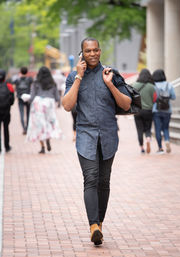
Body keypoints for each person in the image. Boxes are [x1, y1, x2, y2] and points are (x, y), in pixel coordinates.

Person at [62, 37, 131, 246]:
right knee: (90, 178)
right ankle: (93, 225)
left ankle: (99, 224)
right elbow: (66, 105)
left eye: (95, 50)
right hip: (85, 136)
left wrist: (110, 85)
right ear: (82, 53)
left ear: (100, 51)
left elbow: (126, 104)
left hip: (108, 136)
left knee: (104, 182)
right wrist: (79, 78)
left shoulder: (111, 74)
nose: (92, 54)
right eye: (87, 51)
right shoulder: (74, 76)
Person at [26, 66, 63, 153]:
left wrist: (28, 100)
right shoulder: (52, 83)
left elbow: (32, 96)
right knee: (48, 123)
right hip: (49, 103)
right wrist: (58, 103)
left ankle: (42, 146)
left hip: (38, 104)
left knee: (39, 125)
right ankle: (48, 140)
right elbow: (57, 97)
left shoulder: (36, 82)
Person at [132, 69, 157, 154]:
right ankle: (148, 139)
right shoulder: (152, 86)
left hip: (137, 111)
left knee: (139, 129)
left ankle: (142, 148)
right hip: (148, 110)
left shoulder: (134, 85)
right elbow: (155, 99)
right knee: (148, 128)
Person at [152, 69, 176, 154]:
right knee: (166, 128)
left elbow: (152, 99)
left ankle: (160, 148)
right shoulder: (169, 85)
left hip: (156, 110)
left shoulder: (153, 86)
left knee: (157, 129)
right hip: (167, 110)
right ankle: (167, 140)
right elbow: (173, 97)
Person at [14, 67, 33, 135]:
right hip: (28, 98)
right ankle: (27, 127)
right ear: (27, 72)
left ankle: (23, 128)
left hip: (20, 98)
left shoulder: (17, 80)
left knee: (21, 114)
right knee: (28, 114)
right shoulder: (30, 79)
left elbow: (14, 87)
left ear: (20, 72)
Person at [0, 69, 15, 153]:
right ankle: (7, 146)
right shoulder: (9, 86)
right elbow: (12, 100)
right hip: (6, 111)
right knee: (6, 129)